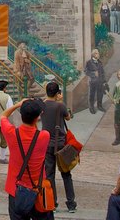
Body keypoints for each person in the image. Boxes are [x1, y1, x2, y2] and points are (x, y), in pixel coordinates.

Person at [0, 98, 51, 220]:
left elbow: (3, 116)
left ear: (21, 115)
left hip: (16, 189)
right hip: (38, 190)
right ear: (38, 117)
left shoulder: (12, 133)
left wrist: (18, 104)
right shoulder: (44, 136)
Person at [42, 81, 77, 213]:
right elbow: (68, 118)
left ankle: (53, 203)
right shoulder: (60, 106)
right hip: (61, 143)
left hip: (47, 144)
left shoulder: (43, 105)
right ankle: (71, 204)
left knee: (49, 175)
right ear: (58, 93)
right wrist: (61, 101)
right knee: (66, 173)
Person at [85, 49, 106, 114]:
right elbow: (86, 71)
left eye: (98, 53)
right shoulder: (89, 62)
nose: (98, 54)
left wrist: (104, 81)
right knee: (92, 95)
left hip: (100, 81)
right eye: (97, 53)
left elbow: (102, 72)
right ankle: (91, 107)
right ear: (93, 54)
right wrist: (93, 74)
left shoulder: (100, 62)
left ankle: (99, 106)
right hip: (93, 81)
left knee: (100, 94)